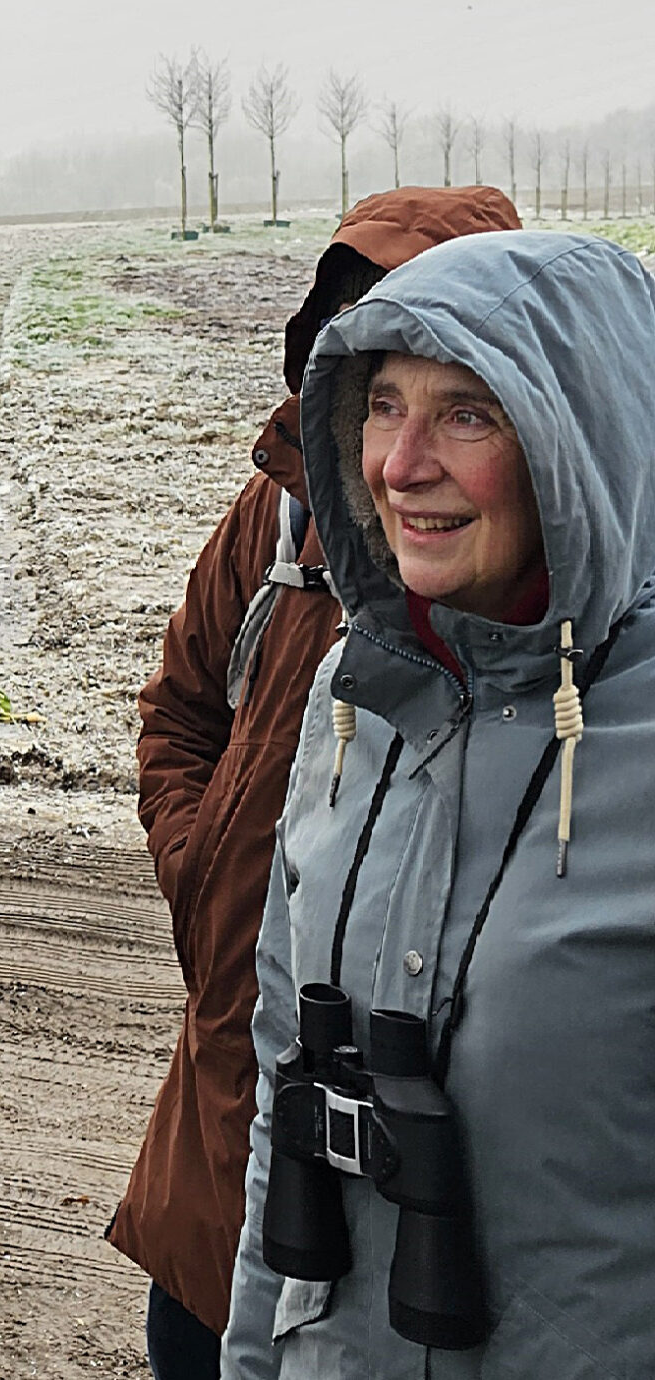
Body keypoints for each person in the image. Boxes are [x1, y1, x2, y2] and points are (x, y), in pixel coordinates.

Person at [221, 229, 655, 1375]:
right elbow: (281, 1103)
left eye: (468, 412)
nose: (400, 464)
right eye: (381, 406)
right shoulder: (354, 693)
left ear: (586, 440)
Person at [112, 186, 521, 1377]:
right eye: (367, 372)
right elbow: (177, 706)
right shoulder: (276, 521)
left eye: (448, 393)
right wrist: (201, 873)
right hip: (226, 1094)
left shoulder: (544, 603)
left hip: (424, 1169)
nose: (399, 447)